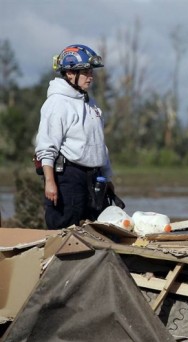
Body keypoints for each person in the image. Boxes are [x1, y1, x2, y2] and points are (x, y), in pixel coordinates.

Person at [34, 44, 116, 229]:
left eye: (91, 71)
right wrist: (50, 182)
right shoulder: (56, 103)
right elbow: (46, 147)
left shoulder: (90, 102)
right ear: (70, 73)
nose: (91, 76)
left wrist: (107, 177)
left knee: (99, 231)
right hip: (69, 178)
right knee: (65, 231)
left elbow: (99, 144)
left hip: (94, 178)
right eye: (86, 72)